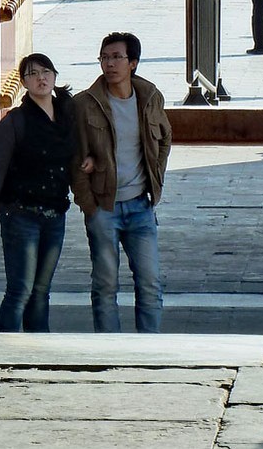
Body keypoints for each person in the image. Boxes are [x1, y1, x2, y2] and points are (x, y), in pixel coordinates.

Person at [72, 32, 173, 333]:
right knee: (105, 285)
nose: (110, 64)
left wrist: (155, 179)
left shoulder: (150, 97)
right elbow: (74, 157)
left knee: (150, 282)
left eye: (117, 57)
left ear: (133, 63)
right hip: (104, 208)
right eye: (104, 57)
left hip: (140, 206)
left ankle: (148, 347)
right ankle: (110, 349)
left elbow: (164, 139)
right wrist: (88, 204)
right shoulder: (85, 104)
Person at [0, 53, 77, 333]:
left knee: (41, 291)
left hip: (55, 213)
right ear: (23, 82)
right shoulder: (15, 121)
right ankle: (5, 349)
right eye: (32, 74)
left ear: (55, 76)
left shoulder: (67, 114)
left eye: (46, 72)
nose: (40, 78)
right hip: (21, 213)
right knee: (20, 290)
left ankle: (37, 348)